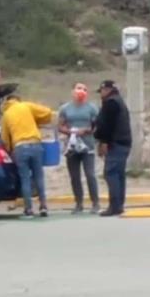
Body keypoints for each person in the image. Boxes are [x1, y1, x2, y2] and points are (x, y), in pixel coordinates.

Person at [0, 95, 53, 218]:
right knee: (39, 176)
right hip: (36, 144)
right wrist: (37, 120)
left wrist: (9, 150)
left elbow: (4, 139)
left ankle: (28, 209)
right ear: (18, 99)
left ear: (7, 102)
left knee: (25, 179)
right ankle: (43, 206)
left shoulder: (6, 115)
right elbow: (47, 112)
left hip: (20, 147)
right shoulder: (26, 106)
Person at [59, 83, 100, 215]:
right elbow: (60, 125)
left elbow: (96, 125)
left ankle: (95, 203)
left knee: (90, 175)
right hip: (71, 146)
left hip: (88, 145)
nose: (81, 91)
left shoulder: (92, 108)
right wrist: (70, 131)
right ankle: (79, 203)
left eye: (84, 89)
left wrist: (86, 130)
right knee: (74, 176)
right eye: (78, 88)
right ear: (73, 91)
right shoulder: (65, 108)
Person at [94, 80, 132, 217]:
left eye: (102, 91)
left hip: (116, 143)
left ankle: (114, 206)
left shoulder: (111, 103)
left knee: (111, 173)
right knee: (119, 175)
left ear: (108, 89)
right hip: (124, 142)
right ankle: (119, 205)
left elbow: (107, 125)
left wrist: (103, 142)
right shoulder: (119, 101)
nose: (101, 94)